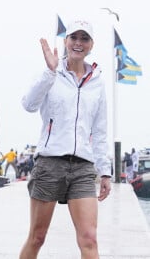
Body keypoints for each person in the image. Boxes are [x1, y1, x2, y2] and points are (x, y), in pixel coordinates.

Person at [19, 19, 111, 258]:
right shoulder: (52, 73)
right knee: (37, 237)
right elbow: (29, 105)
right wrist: (50, 72)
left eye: (84, 39)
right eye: (74, 38)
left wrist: (105, 172)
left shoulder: (97, 83)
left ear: (91, 45)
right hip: (50, 164)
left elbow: (99, 131)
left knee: (89, 239)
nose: (78, 43)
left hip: (83, 167)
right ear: (66, 40)